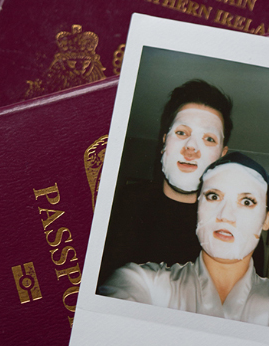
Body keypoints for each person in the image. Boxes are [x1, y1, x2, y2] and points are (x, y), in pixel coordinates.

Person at [98, 152, 269, 328]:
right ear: (198, 209)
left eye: (246, 201)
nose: (226, 215)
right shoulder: (141, 282)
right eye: (214, 196)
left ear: (266, 218)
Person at [99, 79, 247, 277]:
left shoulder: (237, 230)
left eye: (209, 139)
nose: (191, 148)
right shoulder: (119, 205)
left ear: (222, 154)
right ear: (164, 142)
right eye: (181, 132)